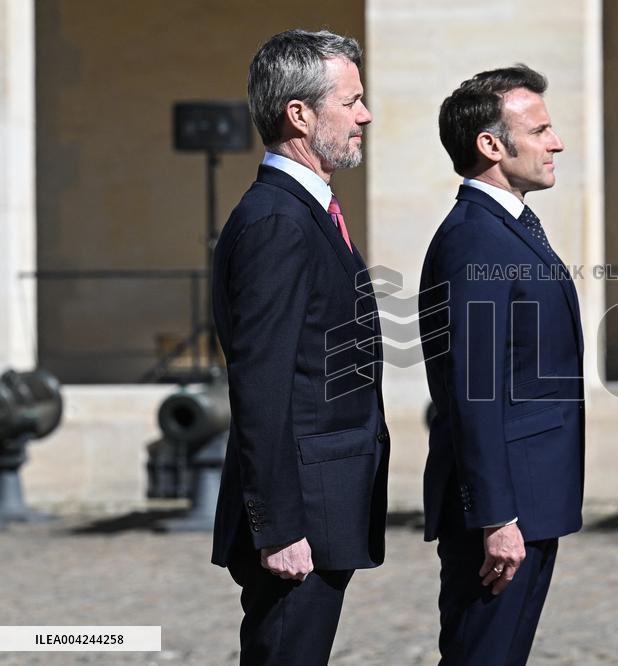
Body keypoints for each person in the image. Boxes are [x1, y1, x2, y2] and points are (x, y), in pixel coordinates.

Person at [210, 29, 389, 666]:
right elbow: (261, 385)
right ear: (300, 114)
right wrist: (279, 525)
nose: (365, 114)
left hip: (323, 504)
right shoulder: (277, 222)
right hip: (300, 519)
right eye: (352, 100)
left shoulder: (306, 212)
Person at [418, 65, 585, 665]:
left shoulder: (509, 228)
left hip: (529, 497)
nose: (556, 142)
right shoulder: (475, 239)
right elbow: (474, 390)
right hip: (501, 511)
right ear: (491, 145)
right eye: (539, 130)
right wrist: (496, 517)